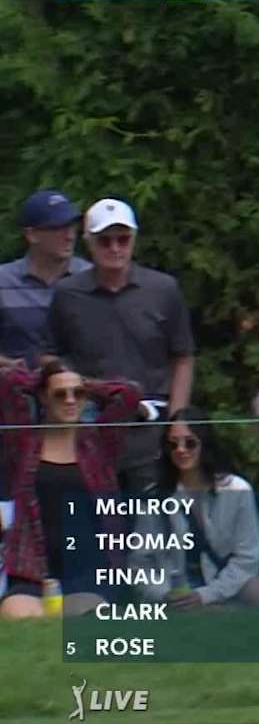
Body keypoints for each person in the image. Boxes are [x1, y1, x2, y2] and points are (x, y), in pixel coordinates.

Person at [44, 198, 195, 496]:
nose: (115, 248)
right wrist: (74, 393)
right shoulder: (67, 293)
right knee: (95, 526)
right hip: (89, 428)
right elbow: (51, 354)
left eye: (123, 239)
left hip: (151, 427)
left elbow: (183, 357)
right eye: (105, 240)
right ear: (89, 242)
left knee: (151, 529)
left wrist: (178, 420)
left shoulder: (163, 289)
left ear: (134, 240)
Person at [0, 359, 139, 619]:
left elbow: (128, 395)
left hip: (86, 568)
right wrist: (45, 377)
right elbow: (6, 383)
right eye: (60, 394)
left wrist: (80, 381)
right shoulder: (23, 442)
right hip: (32, 567)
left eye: (78, 394)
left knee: (83, 618)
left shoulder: (99, 443)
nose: (70, 400)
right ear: (43, 397)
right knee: (15, 616)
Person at [127, 408, 259, 608]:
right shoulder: (154, 496)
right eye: (173, 444)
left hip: (228, 586)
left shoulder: (237, 489)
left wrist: (207, 595)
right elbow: (140, 562)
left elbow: (248, 557)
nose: (181, 450)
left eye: (190, 443)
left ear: (205, 444)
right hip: (176, 593)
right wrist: (165, 595)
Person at [0, 190, 90, 365]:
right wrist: (10, 366)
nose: (70, 236)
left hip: (79, 388)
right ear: (32, 235)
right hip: (16, 388)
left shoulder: (90, 278)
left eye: (72, 227)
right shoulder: (3, 282)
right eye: (57, 228)